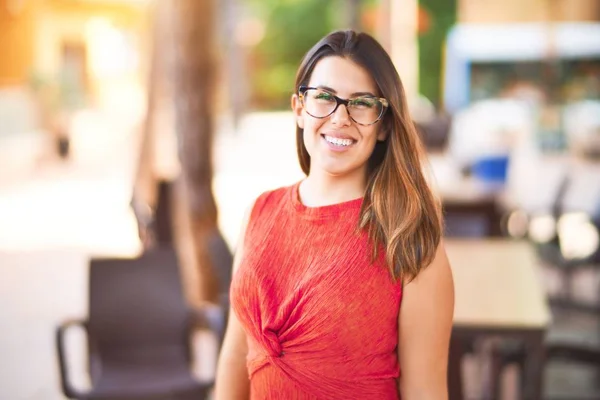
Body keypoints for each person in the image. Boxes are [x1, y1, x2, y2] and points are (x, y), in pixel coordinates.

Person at [215, 30, 454, 399]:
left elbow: (425, 392)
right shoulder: (259, 213)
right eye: (324, 97)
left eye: (361, 103)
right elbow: (236, 355)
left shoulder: (408, 238)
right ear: (299, 109)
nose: (340, 118)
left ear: (385, 124)